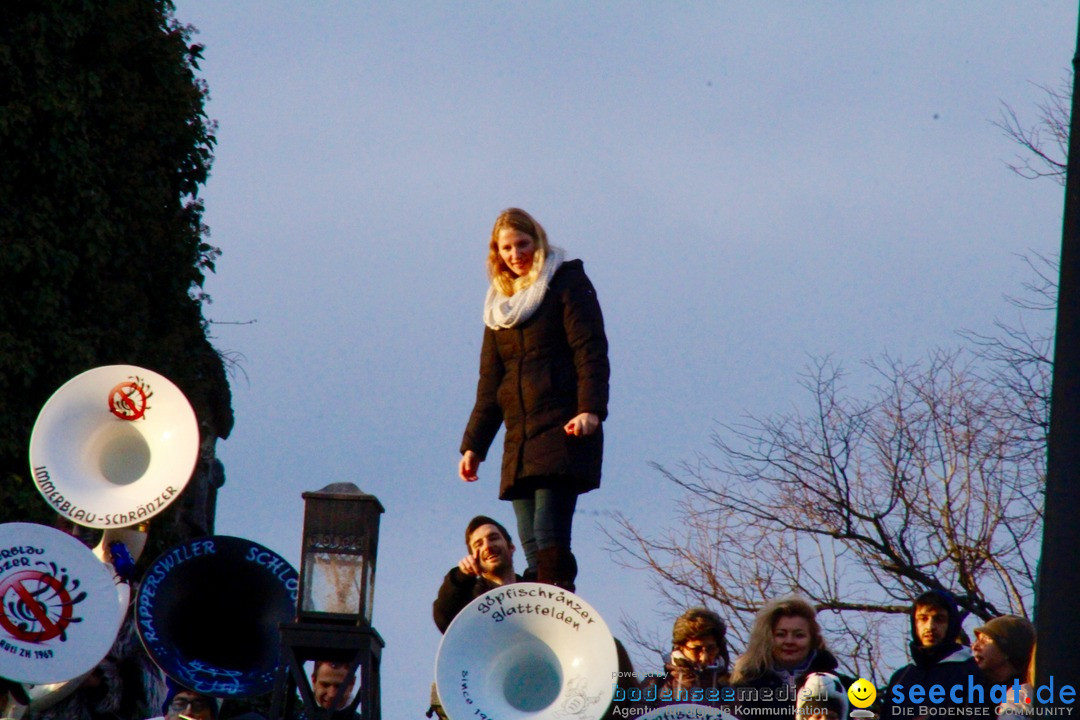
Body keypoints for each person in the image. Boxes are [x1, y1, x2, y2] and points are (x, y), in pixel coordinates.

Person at [458, 208, 609, 591]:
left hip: (563, 427)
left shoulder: (567, 281)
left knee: (549, 531)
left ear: (537, 241)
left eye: (522, 243)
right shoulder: (498, 309)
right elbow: (491, 382)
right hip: (519, 439)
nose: (515, 254)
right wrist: (474, 446)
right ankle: (542, 603)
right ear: (497, 252)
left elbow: (590, 350)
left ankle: (558, 606)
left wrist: (590, 410)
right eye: (506, 247)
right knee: (528, 540)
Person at [730, 596, 851, 718]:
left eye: (799, 635)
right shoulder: (745, 688)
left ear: (812, 640)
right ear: (768, 638)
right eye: (781, 634)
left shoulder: (842, 687)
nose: (789, 641)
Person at [878, 590, 988, 719]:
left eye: (939, 619)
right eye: (923, 619)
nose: (930, 627)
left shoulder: (970, 671)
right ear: (914, 623)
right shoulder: (902, 677)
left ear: (951, 623)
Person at [432, 515, 522, 633]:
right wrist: (461, 577)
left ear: (511, 547)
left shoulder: (536, 585)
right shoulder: (470, 600)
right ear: (473, 558)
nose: (487, 547)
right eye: (478, 544)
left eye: (493, 538)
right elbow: (443, 618)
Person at [649, 607, 732, 701]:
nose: (704, 657)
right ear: (680, 647)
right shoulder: (655, 687)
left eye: (711, 649)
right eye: (696, 649)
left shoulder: (727, 692)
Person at [971, 615, 1036, 716]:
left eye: (985, 640)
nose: (975, 647)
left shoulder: (1028, 695)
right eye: (977, 640)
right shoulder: (968, 687)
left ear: (1008, 650)